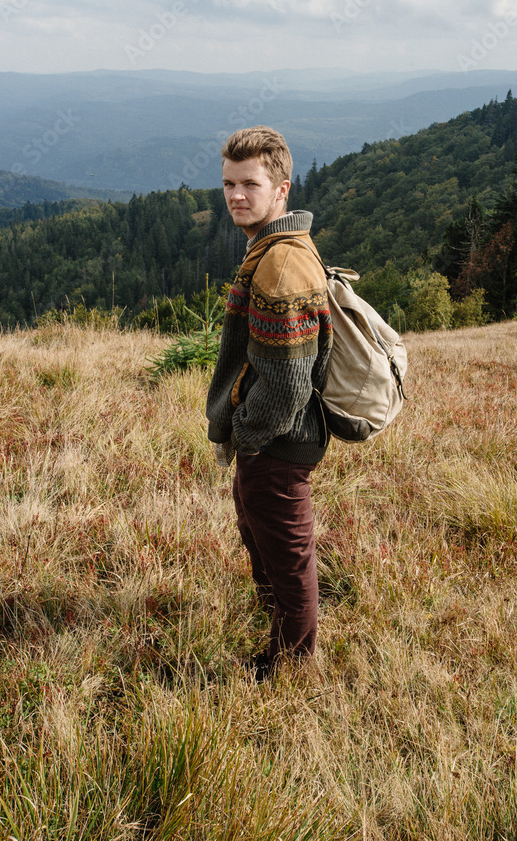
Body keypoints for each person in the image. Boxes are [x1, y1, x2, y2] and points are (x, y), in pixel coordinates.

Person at [206, 126, 332, 680]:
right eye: (229, 184)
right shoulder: (274, 248)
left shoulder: (279, 268)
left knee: (288, 550)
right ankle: (273, 607)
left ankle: (290, 662)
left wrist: (249, 438)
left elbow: (285, 387)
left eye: (250, 184)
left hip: (280, 442)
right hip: (271, 439)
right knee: (259, 525)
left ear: (281, 190)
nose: (236, 195)